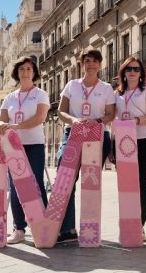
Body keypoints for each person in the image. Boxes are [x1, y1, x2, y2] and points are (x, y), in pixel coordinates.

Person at [56, 49, 115, 243]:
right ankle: (67, 229)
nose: (91, 64)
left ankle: (90, 230)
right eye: (87, 61)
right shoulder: (72, 85)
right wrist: (74, 120)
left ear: (100, 64)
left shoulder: (106, 88)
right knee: (65, 179)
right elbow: (61, 111)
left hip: (97, 134)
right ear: (82, 64)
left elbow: (110, 114)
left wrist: (96, 121)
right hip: (72, 133)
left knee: (90, 182)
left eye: (94, 61)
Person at [0, 56, 50, 245]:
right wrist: (3, 125)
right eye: (21, 69)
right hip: (12, 147)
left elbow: (40, 118)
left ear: (34, 72)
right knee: (16, 186)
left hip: (34, 144)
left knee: (35, 184)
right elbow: (1, 120)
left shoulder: (41, 94)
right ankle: (18, 229)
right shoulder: (10, 97)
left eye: (28, 69)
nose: (25, 72)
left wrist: (16, 127)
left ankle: (44, 227)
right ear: (17, 73)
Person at [114, 57, 146, 240]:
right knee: (126, 187)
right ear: (123, 72)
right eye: (129, 69)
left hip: (144, 141)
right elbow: (113, 120)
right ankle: (127, 224)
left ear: (141, 73)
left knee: (142, 185)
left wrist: (136, 121)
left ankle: (140, 226)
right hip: (123, 144)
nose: (132, 72)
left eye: (136, 69)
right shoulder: (117, 94)